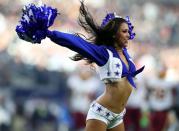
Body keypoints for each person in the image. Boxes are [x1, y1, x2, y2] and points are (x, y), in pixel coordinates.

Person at [15, 1, 145, 131]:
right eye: (124, 31)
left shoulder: (126, 53)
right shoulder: (104, 54)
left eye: (128, 31)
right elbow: (77, 43)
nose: (129, 34)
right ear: (114, 34)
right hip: (102, 113)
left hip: (118, 115)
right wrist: (50, 34)